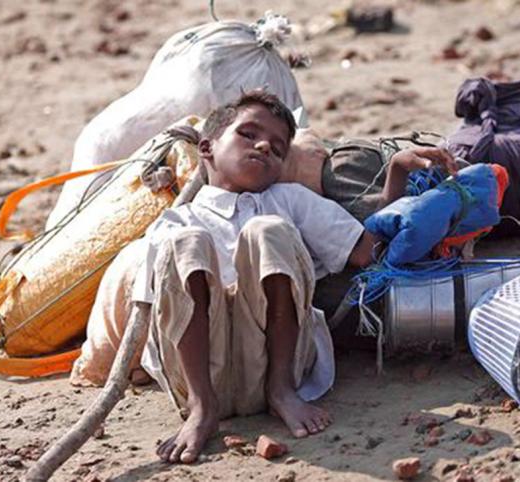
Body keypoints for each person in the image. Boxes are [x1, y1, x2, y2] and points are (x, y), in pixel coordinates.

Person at [132, 89, 457, 464]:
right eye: (248, 134)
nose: (264, 147)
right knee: (185, 242)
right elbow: (154, 314)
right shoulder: (176, 220)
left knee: (268, 230)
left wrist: (397, 171)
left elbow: (365, 249)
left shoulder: (288, 200)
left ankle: (281, 390)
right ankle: (202, 409)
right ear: (207, 148)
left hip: (274, 361)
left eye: (278, 147)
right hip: (202, 372)